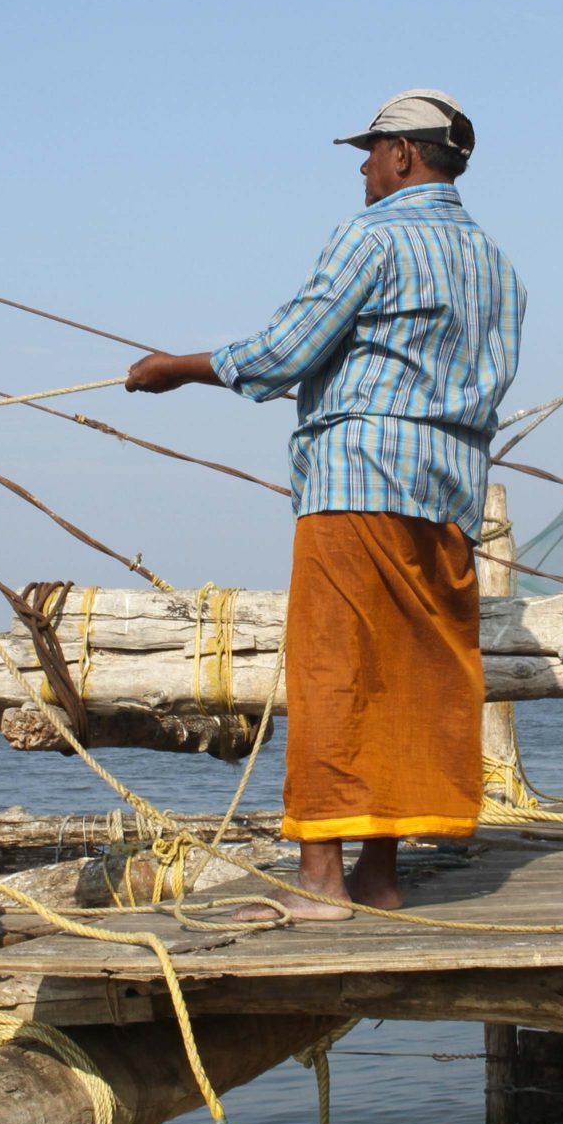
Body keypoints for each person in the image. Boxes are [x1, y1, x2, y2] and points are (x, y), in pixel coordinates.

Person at [126, 89, 524, 917]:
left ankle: (318, 884)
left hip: (356, 483)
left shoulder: (373, 236)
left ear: (406, 156)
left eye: (371, 152)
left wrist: (177, 368)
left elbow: (285, 350)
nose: (363, 167)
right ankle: (377, 877)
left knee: (334, 671)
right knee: (408, 678)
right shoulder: (495, 261)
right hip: (448, 492)